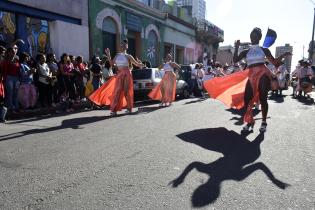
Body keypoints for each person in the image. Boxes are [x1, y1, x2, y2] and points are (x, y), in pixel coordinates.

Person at [204, 27, 291, 132]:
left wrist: (283, 55)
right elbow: (235, 60)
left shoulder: (264, 50)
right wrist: (236, 47)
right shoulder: (246, 51)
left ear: (259, 38)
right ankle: (250, 121)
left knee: (263, 98)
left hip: (262, 73)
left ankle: (264, 122)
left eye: (255, 36)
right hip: (251, 74)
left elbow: (275, 63)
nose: (252, 37)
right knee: (247, 99)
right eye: (251, 36)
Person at [89, 39, 144, 116]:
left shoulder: (129, 56)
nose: (124, 45)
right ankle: (114, 110)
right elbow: (111, 64)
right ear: (120, 46)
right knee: (117, 91)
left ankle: (129, 108)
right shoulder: (117, 55)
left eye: (125, 44)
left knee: (126, 91)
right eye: (122, 44)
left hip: (127, 73)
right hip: (119, 74)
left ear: (127, 46)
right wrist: (108, 54)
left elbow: (136, 64)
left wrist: (141, 64)